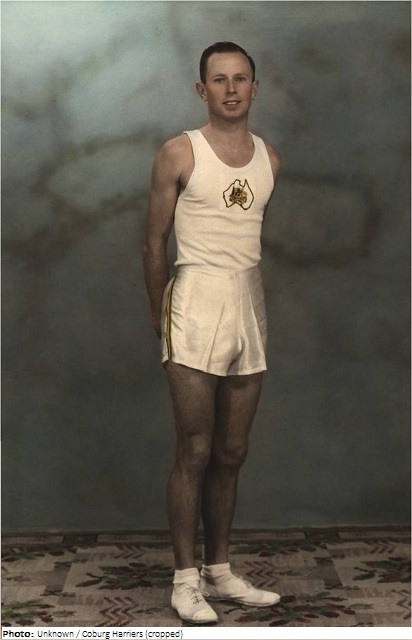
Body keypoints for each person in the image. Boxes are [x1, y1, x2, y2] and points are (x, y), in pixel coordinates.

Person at [143, 42, 282, 624]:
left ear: (255, 87)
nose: (231, 89)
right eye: (219, 80)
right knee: (195, 449)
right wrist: (162, 318)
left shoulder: (269, 159)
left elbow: (245, 240)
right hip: (193, 306)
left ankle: (220, 571)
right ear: (202, 90)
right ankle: (185, 579)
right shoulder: (179, 152)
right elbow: (154, 243)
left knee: (232, 450)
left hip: (247, 305)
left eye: (240, 79)